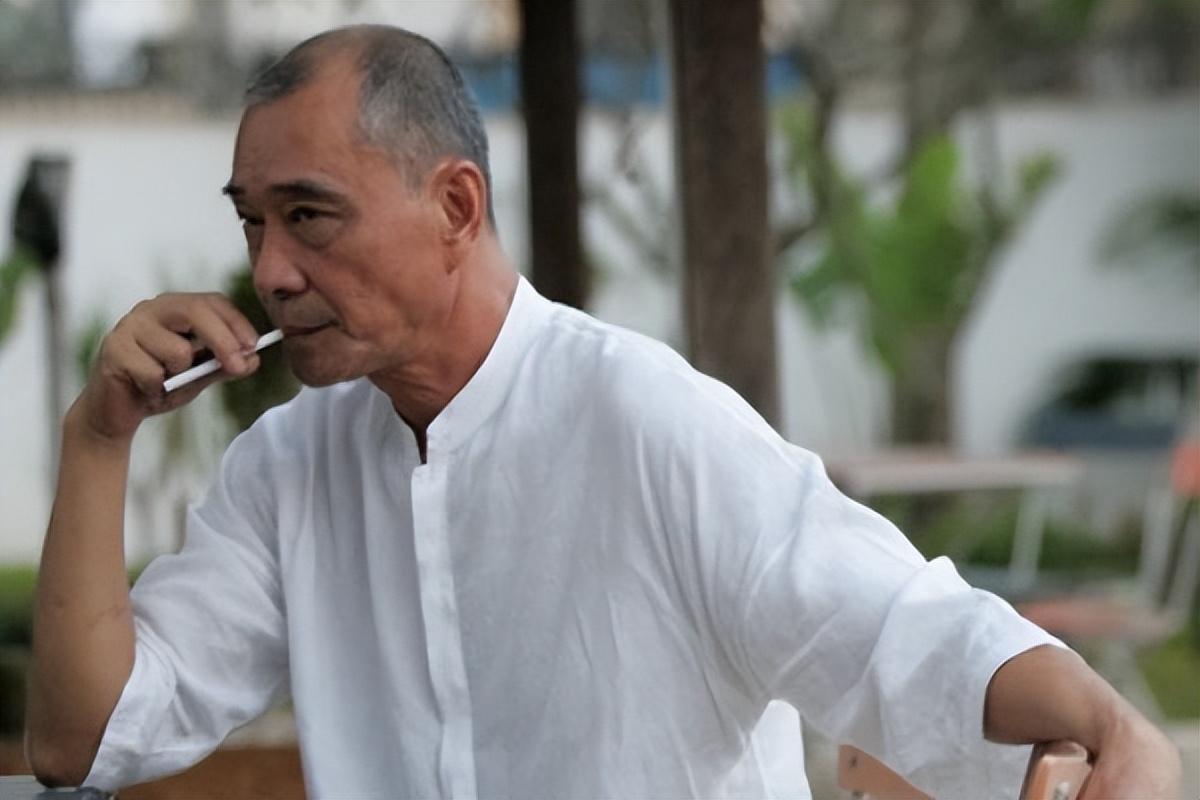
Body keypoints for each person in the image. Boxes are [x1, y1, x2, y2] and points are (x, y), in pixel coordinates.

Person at [25, 25, 1180, 799]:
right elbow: (84, 739)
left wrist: (1115, 724)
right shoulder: (289, 467)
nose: (271, 270)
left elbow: (894, 631)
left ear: (456, 206)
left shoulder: (644, 419)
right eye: (252, 222)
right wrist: (97, 434)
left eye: (309, 216)